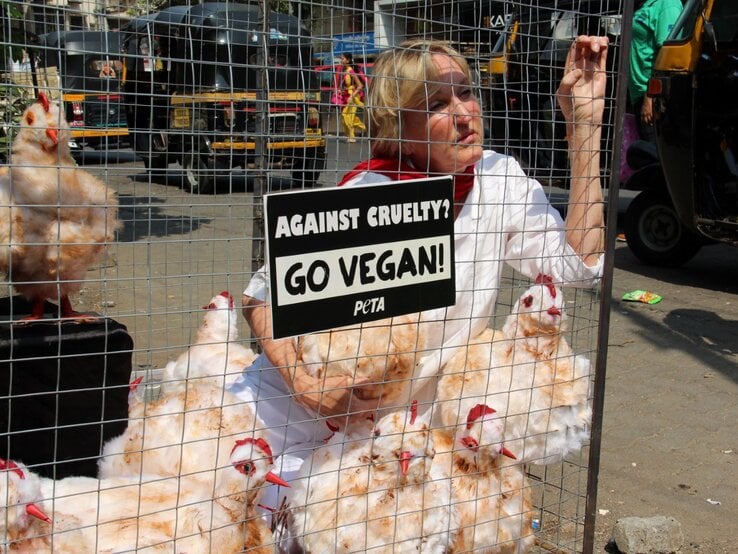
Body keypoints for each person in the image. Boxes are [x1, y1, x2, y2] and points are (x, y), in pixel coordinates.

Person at [232, 36, 608, 484]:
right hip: (281, 421)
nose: (464, 113)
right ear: (399, 129)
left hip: (385, 439)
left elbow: (578, 264)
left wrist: (584, 129)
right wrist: (305, 385)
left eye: (466, 92)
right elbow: (260, 295)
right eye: (436, 103)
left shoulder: (498, 179)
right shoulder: (370, 194)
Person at [628, 0, 683, 141]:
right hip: (637, 95)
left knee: (653, 153)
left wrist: (650, 96)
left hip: (653, 97)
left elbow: (668, 53)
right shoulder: (645, 4)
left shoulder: (667, 4)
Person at [339, 52, 366, 143]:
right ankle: (366, 128)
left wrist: (352, 96)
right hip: (345, 96)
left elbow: (360, 86)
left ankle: (351, 137)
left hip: (353, 97)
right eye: (341, 59)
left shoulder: (350, 71)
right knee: (347, 117)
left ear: (348, 60)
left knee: (346, 116)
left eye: (342, 59)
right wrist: (341, 90)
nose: (341, 60)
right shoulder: (344, 70)